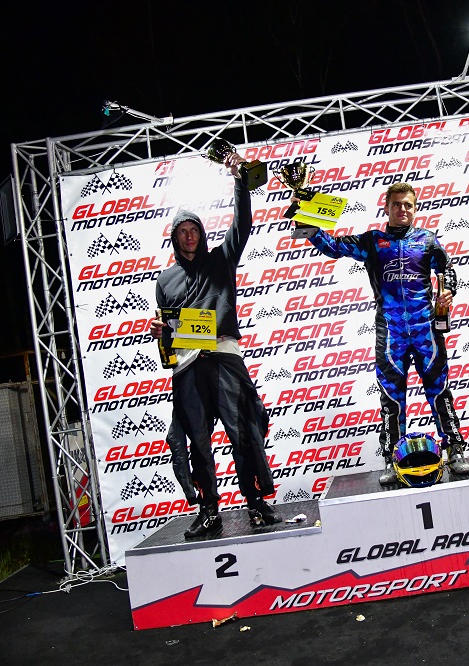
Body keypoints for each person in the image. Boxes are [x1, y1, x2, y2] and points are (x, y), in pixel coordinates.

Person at [303, 182, 469, 485]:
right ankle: (392, 459)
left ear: (415, 209)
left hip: (426, 330)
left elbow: (446, 268)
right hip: (390, 333)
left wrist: (448, 291)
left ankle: (455, 450)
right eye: (397, 204)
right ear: (387, 208)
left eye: (408, 205)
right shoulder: (372, 241)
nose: (402, 210)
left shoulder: (427, 239)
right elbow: (333, 246)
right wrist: (306, 219)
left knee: (439, 391)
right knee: (392, 399)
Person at [150, 150, 279, 537]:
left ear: (202, 234)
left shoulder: (221, 259)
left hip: (223, 355)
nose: (189, 236)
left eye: (194, 230)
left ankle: (255, 503)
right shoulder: (164, 280)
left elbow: (243, 223)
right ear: (174, 238)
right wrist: (162, 335)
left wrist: (240, 180)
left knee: (244, 432)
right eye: (182, 231)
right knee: (197, 442)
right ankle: (209, 510)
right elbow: (167, 335)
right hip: (188, 364)